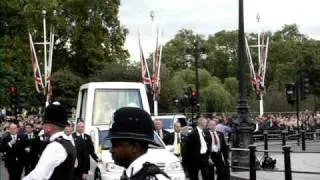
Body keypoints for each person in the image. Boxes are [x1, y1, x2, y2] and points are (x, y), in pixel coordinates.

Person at [107, 107, 170, 180]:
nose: (111, 150)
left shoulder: (151, 177)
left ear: (135, 147)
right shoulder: (131, 174)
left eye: (115, 144)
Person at [23, 101, 77, 180]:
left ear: (49, 127)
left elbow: (37, 177)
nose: (42, 126)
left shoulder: (55, 146)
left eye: (44, 123)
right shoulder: (68, 142)